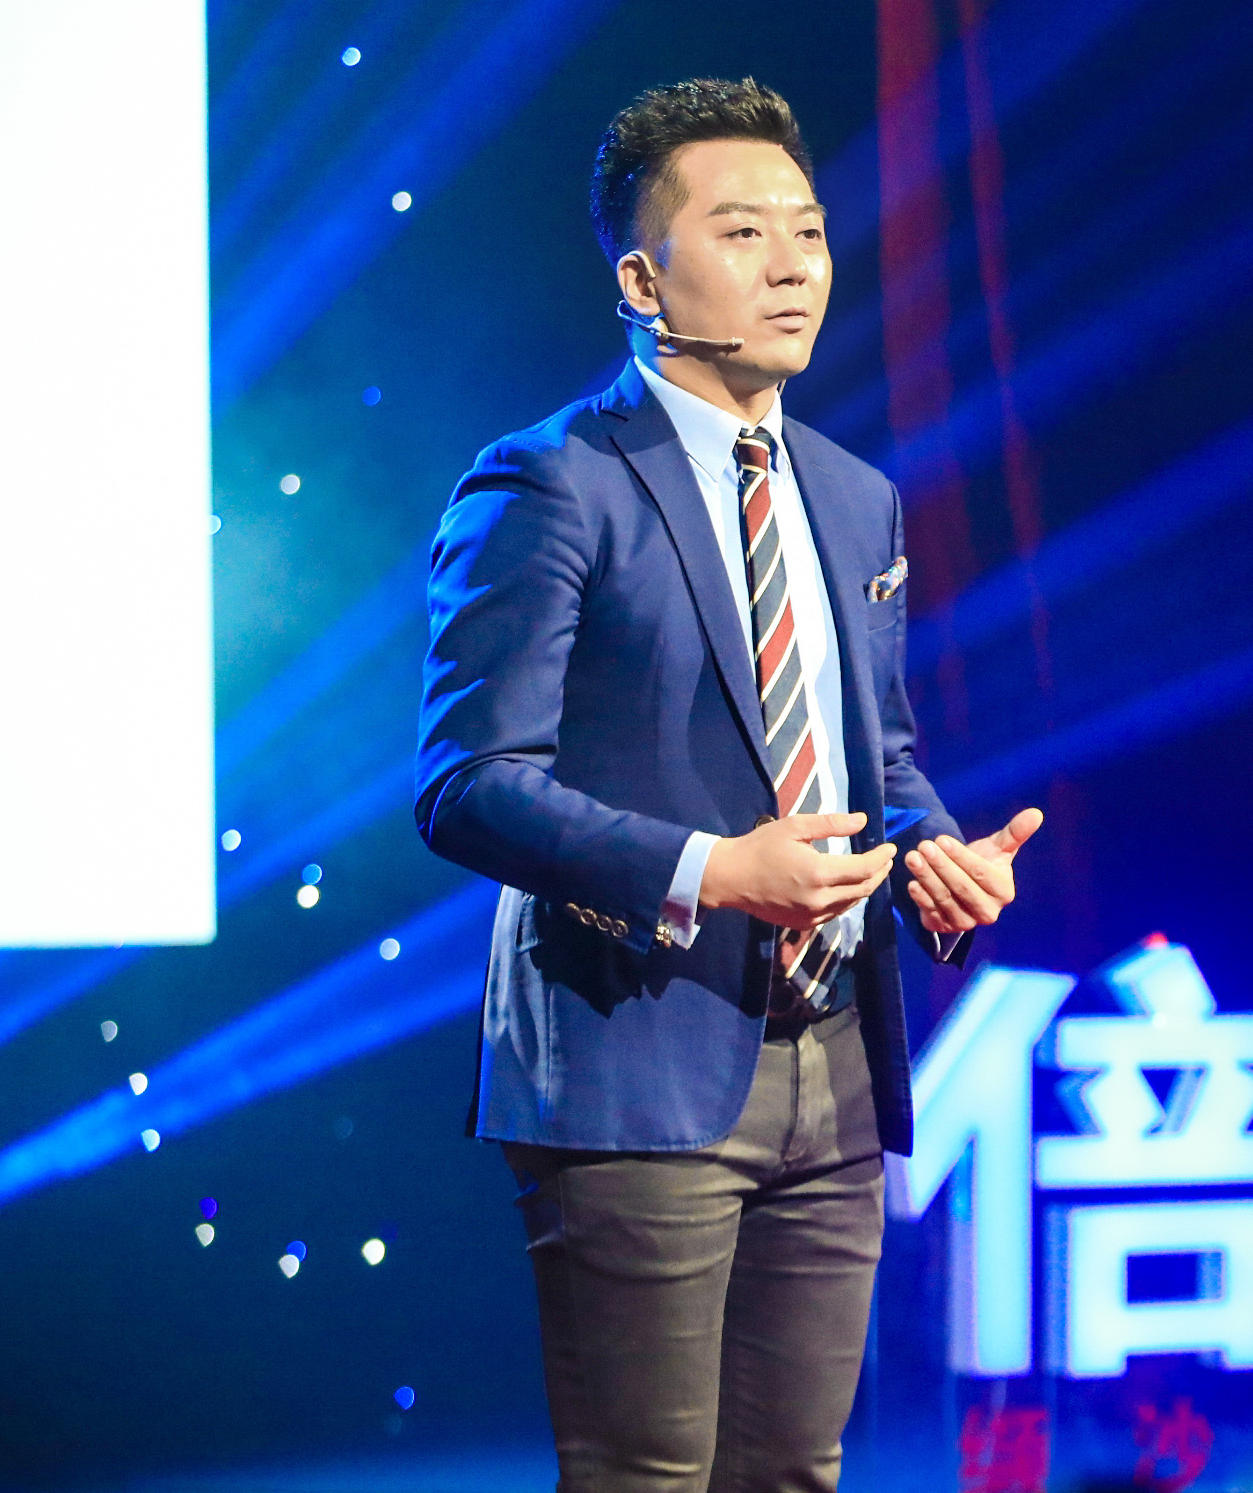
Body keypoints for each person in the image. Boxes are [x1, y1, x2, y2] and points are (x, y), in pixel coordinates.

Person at [416, 75, 1041, 1492]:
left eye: (808, 233)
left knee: (795, 1470)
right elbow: (468, 783)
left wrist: (936, 855)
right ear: (642, 281)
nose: (793, 267)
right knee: (646, 1473)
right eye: (743, 233)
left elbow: (875, 755)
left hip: (838, 1051)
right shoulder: (548, 483)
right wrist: (713, 870)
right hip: (635, 1050)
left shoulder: (854, 494)